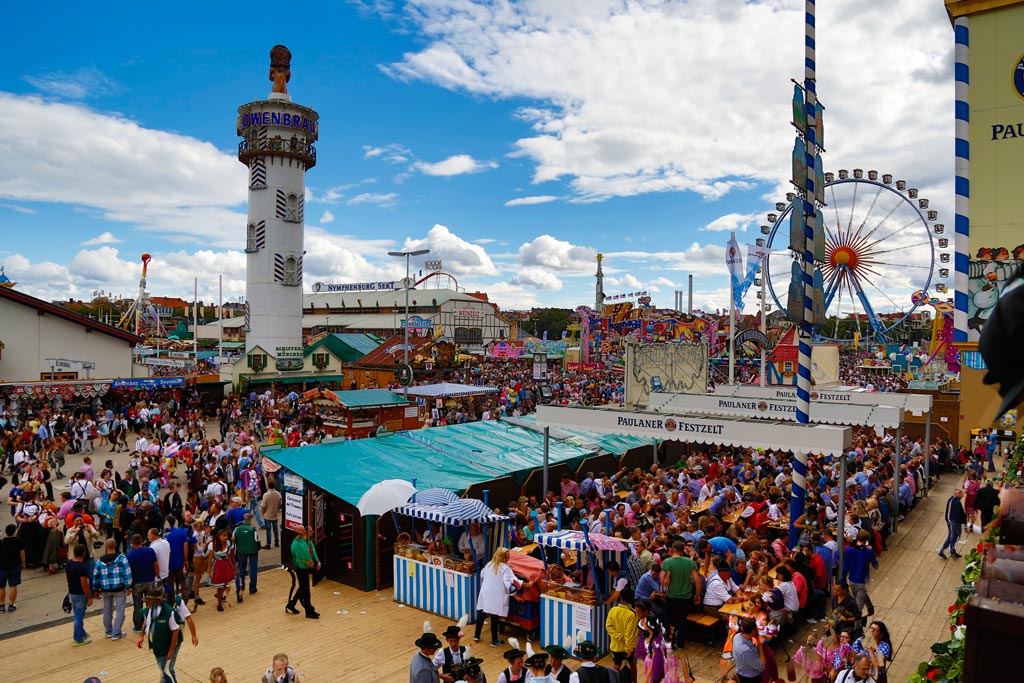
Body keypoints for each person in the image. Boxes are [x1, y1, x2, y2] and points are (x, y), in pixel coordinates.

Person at [473, 548, 524, 646]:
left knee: (483, 613)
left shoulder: (489, 564)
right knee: (495, 617)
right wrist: (514, 594)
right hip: (496, 594)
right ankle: (494, 640)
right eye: (508, 556)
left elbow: (482, 575)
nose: (509, 558)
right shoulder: (506, 568)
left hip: (486, 591)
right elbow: (507, 584)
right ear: (505, 558)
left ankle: (476, 634)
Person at [661, 540, 703, 649]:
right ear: (682, 550)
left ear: (672, 549)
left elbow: (662, 579)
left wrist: (662, 591)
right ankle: (680, 643)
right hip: (686, 597)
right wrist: (697, 595)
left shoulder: (667, 562)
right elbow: (698, 580)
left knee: (669, 616)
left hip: (672, 596)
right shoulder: (690, 562)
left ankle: (670, 637)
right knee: (682, 619)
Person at [136, 587, 181, 683]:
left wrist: (171, 651)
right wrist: (141, 636)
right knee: (163, 668)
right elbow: (146, 621)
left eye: (148, 601)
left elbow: (175, 631)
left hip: (168, 644)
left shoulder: (169, 612)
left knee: (167, 669)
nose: (146, 603)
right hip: (157, 644)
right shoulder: (148, 610)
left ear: (156, 601)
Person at [92, 538, 132, 640]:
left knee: (107, 610)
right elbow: (127, 573)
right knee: (120, 610)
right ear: (115, 546)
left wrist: (96, 589)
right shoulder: (122, 559)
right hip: (119, 588)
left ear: (106, 547)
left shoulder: (100, 561)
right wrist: (128, 586)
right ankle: (116, 632)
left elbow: (95, 575)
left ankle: (108, 631)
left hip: (105, 589)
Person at [127, 533, 160, 632]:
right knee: (151, 603)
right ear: (141, 541)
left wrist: (128, 585)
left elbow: (128, 571)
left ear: (132, 543)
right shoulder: (150, 551)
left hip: (137, 583)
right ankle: (153, 622)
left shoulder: (129, 555)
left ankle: (139, 626)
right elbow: (155, 565)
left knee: (138, 605)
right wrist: (158, 576)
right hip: (150, 580)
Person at [286, 525, 320, 618]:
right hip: (301, 569)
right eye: (310, 531)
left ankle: (291, 604)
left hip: (306, 567)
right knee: (306, 590)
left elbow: (313, 552)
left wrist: (318, 562)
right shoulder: (298, 545)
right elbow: (307, 560)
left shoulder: (308, 541)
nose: (312, 532)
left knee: (302, 587)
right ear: (304, 532)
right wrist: (315, 566)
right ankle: (309, 611)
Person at [606, 586, 639, 683]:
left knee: (616, 665)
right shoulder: (632, 614)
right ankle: (634, 681)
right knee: (632, 664)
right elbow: (630, 634)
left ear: (621, 597)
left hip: (615, 646)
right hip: (628, 647)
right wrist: (629, 649)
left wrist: (617, 636)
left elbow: (608, 627)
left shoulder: (613, 610)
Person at [66, 543, 94, 645]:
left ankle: (82, 632)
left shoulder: (69, 563)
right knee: (79, 616)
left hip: (72, 592)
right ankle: (78, 639)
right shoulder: (82, 567)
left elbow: (67, 577)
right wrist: (89, 597)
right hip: (80, 594)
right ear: (84, 553)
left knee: (77, 614)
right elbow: (84, 584)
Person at [232, 512, 260, 600]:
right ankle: (252, 588)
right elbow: (257, 540)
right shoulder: (253, 529)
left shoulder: (237, 529)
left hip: (241, 551)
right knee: (253, 569)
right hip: (252, 551)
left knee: (241, 570)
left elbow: (233, 539)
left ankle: (241, 586)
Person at [0, 524, 26, 613]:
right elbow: (22, 553)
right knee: (13, 585)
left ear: (5, 532)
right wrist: (23, 563)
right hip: (15, 565)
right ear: (14, 532)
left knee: (1, 586)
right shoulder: (19, 541)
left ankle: (1, 605)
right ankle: (11, 605)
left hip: (2, 566)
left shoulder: (2, 542)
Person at [208, 527, 235, 612]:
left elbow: (232, 555)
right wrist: (209, 569)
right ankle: (219, 603)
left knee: (226, 584)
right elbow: (210, 558)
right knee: (220, 586)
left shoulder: (228, 543)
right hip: (218, 565)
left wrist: (234, 565)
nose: (225, 537)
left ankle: (220, 596)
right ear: (219, 536)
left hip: (227, 564)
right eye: (223, 536)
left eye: (226, 535)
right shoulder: (213, 545)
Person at [732, 618, 765, 683]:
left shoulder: (737, 636)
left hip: (741, 672)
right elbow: (761, 667)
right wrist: (760, 647)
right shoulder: (746, 650)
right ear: (753, 631)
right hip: (750, 679)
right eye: (756, 628)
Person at [939, 489, 966, 560]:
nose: (963, 495)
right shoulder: (956, 501)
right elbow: (958, 514)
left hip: (951, 520)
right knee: (954, 536)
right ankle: (943, 551)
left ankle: (952, 551)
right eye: (962, 494)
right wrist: (963, 521)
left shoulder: (952, 499)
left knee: (953, 536)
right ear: (958, 494)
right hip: (952, 521)